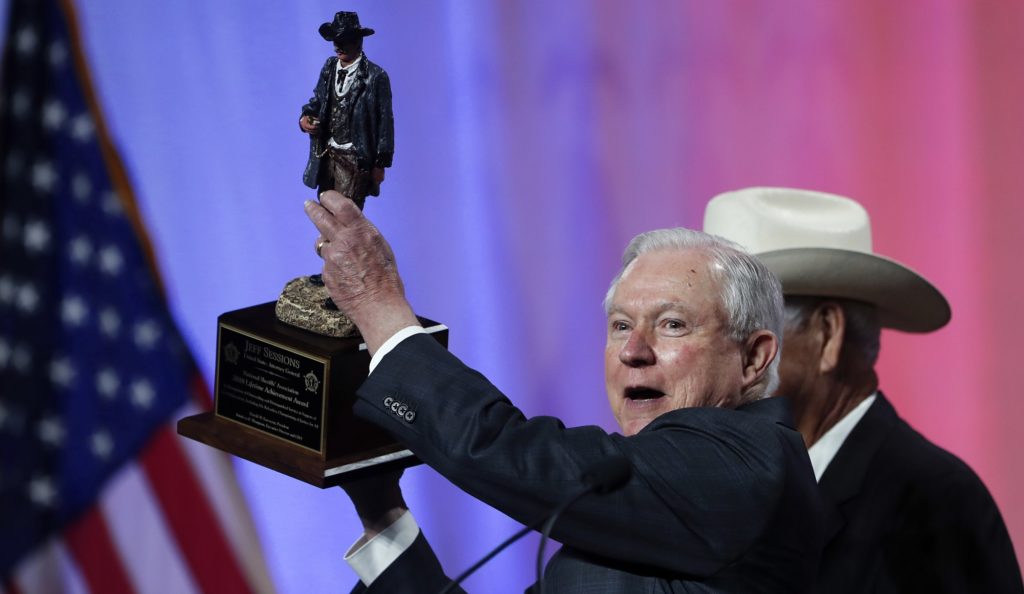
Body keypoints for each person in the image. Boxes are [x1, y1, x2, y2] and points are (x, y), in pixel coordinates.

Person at [304, 191, 824, 593]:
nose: (633, 351)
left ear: (753, 358)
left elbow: (521, 455)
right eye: (621, 326)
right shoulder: (640, 509)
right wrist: (381, 512)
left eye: (672, 325)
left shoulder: (752, 461)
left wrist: (379, 308)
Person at [704, 187, 1024, 593]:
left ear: (826, 334)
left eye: (740, 330)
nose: (708, 357)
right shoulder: (719, 486)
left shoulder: (932, 500)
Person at [299, 11, 394, 210]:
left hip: (355, 158)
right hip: (327, 154)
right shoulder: (329, 67)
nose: (338, 46)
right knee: (326, 207)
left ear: (358, 42)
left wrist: (380, 164)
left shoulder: (376, 76)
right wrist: (305, 118)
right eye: (336, 40)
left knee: (347, 213)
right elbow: (318, 100)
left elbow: (385, 123)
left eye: (344, 41)